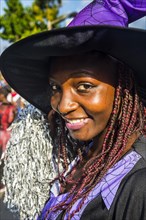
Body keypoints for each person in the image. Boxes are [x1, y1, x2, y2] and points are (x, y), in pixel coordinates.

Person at [0, 0, 146, 220]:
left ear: (124, 88)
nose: (63, 106)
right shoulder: (77, 159)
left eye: (84, 86)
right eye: (55, 88)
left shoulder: (139, 186)